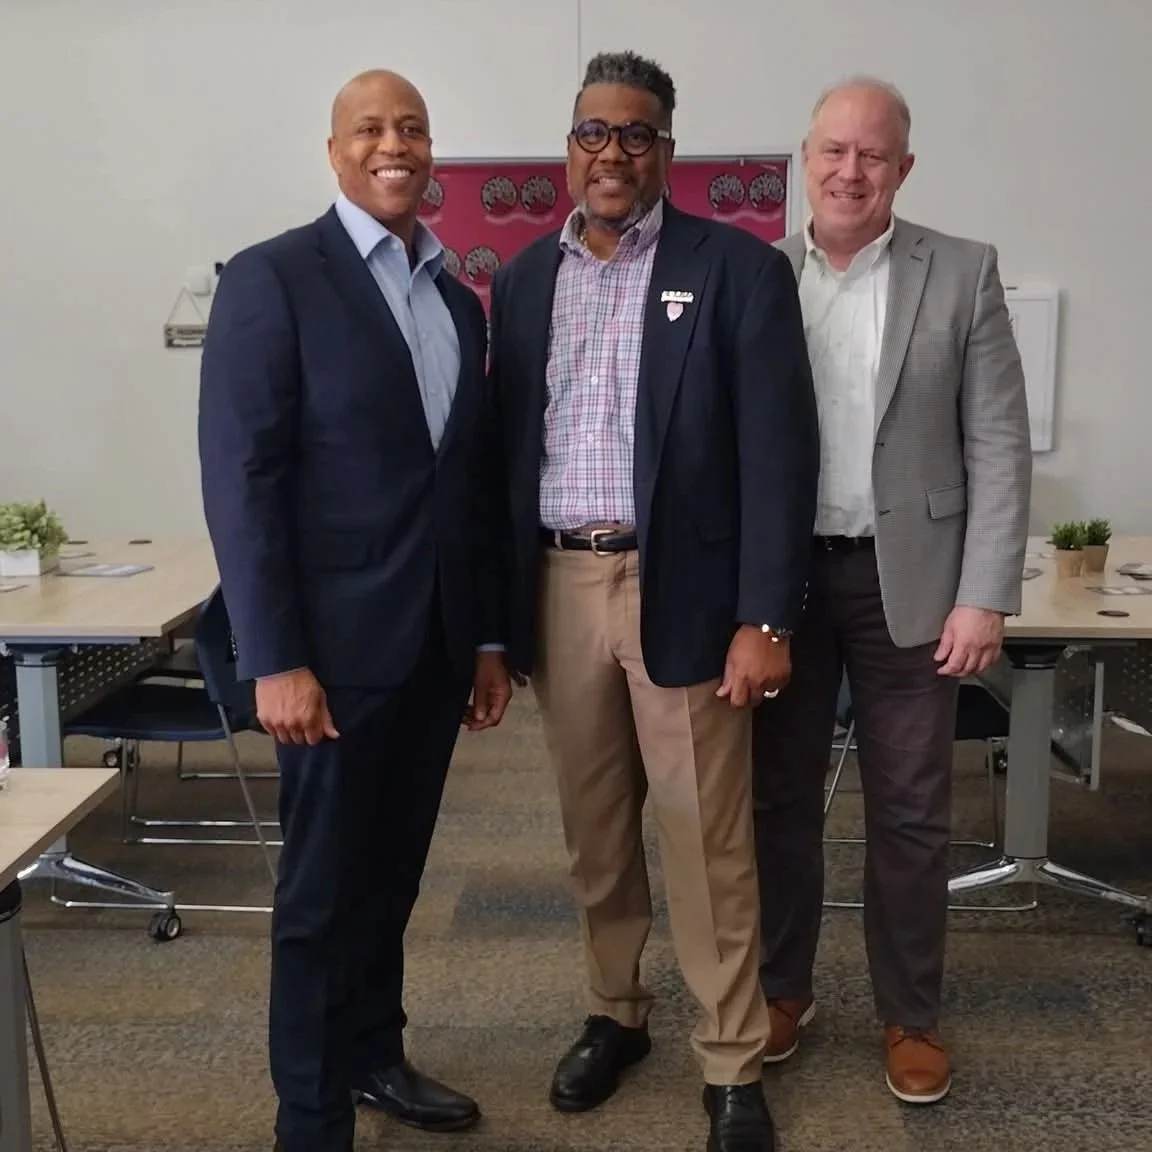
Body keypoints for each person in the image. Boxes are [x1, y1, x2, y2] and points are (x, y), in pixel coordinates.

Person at [488, 51, 819, 1152]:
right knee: (595, 834)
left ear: (666, 150)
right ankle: (616, 1012)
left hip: (682, 589)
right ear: (569, 148)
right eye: (593, 132)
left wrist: (765, 616)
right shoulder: (529, 279)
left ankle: (730, 1061)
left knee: (704, 837)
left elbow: (780, 456)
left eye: (635, 133)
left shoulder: (736, 270)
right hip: (558, 581)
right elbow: (503, 454)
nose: (612, 152)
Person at [198, 69, 512, 1152]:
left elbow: (463, 485)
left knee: (392, 878)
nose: (396, 144)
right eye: (372, 128)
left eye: (413, 128)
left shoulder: (453, 297)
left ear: (433, 153)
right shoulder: (273, 279)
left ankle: (376, 1052)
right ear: (334, 151)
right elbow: (242, 482)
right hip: (325, 662)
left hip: (429, 653)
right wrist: (273, 657)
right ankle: (310, 1116)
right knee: (322, 897)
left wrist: (482, 638)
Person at [752, 76, 1031, 1105]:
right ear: (805, 158)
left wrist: (984, 592)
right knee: (777, 801)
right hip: (782, 586)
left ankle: (911, 1014)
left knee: (911, 812)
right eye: (833, 150)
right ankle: (783, 991)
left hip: (908, 583)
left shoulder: (961, 271)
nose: (849, 170)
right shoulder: (758, 273)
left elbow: (998, 444)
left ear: (902, 169)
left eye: (872, 154)